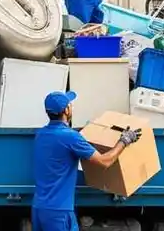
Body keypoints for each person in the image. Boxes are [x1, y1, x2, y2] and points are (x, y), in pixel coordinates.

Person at [32, 91, 141, 231]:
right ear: (66, 110)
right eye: (70, 104)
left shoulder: (41, 134)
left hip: (39, 208)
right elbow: (104, 161)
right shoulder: (70, 137)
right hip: (59, 212)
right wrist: (124, 140)